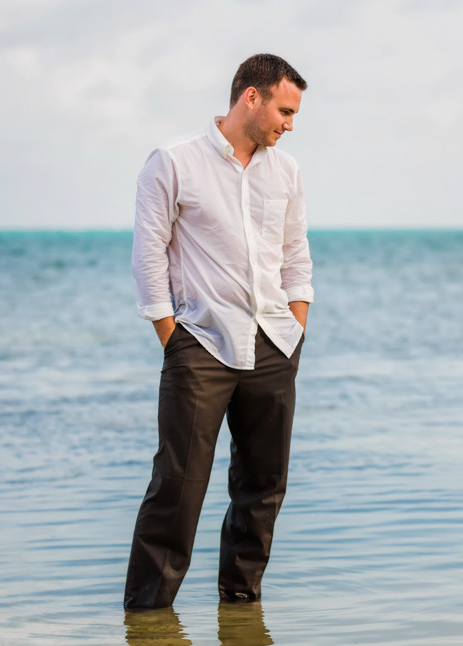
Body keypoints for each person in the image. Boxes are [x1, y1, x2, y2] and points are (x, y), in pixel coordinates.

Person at [124, 54, 314, 610]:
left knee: (262, 488)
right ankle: (148, 618)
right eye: (284, 109)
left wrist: (295, 329)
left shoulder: (288, 171)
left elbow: (295, 257)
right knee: (178, 489)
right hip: (201, 343)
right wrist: (171, 336)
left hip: (274, 342)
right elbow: (148, 254)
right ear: (249, 98)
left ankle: (241, 607)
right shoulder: (173, 161)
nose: (290, 123)